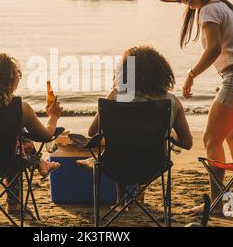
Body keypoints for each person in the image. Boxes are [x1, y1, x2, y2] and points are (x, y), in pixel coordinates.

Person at [159, 0, 233, 214]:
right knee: (231, 135)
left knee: (210, 139)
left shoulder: (208, 9)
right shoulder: (223, 7)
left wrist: (191, 75)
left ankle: (220, 204)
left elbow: (214, 49)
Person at [78, 46, 193, 205]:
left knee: (122, 143)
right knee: (140, 145)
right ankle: (137, 194)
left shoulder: (116, 96)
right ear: (162, 73)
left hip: (116, 165)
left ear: (125, 74)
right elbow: (187, 143)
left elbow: (92, 132)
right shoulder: (172, 102)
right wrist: (171, 136)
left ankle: (120, 198)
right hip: (153, 166)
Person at [0, 53, 63, 212]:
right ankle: (14, 203)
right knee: (16, 144)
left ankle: (39, 165)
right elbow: (45, 136)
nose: (18, 78)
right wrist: (53, 116)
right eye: (18, 75)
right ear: (9, 80)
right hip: (7, 164)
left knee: (16, 136)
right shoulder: (20, 108)